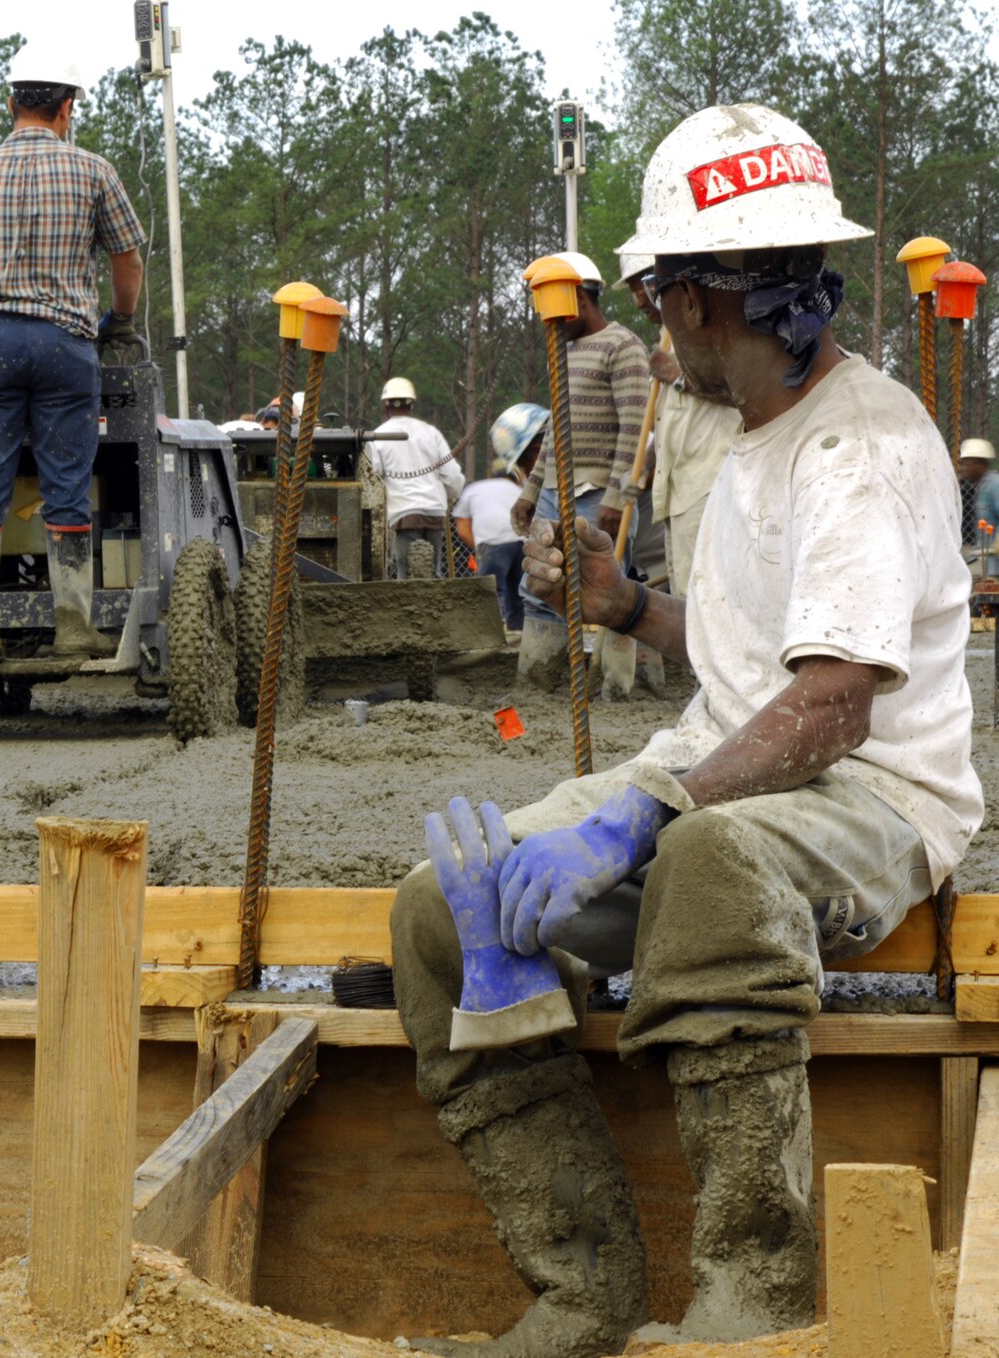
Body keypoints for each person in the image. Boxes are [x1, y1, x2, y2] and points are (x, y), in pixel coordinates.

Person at [393, 104, 977, 1357]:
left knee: (708, 868)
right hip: (734, 764)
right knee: (440, 910)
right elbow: (749, 664)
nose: (658, 328)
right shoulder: (748, 430)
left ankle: (748, 1300)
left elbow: (830, 703)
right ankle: (583, 1290)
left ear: (699, 302)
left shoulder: (856, 451)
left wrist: (644, 812)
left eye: (660, 301)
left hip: (875, 795)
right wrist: (627, 607)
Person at [0, 48, 146, 664]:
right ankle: (73, 626)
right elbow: (127, 259)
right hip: (66, 345)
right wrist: (120, 321)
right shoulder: (94, 171)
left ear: (11, 103)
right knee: (67, 481)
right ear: (66, 108)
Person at [509, 250, 651, 689]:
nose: (548, 324)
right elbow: (555, 433)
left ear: (580, 301)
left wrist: (617, 498)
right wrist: (531, 492)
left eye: (555, 312)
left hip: (598, 496)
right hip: (556, 492)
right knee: (539, 585)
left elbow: (636, 430)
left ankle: (619, 686)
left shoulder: (622, 347)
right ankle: (540, 679)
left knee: (611, 593)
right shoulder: (564, 352)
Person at [621, 251, 739, 599]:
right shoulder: (667, 337)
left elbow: (744, 392)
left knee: (709, 601)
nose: (638, 299)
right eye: (632, 289)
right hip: (678, 494)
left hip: (711, 487)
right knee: (686, 596)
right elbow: (673, 422)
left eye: (642, 285)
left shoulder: (714, 325)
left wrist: (678, 374)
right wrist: (648, 467)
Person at [454, 404, 540, 630]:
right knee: (517, 591)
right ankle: (519, 632)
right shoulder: (522, 490)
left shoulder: (475, 488)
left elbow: (462, 527)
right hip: (521, 543)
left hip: (493, 543)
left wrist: (481, 546)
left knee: (489, 590)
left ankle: (486, 632)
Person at [369, 378, 465, 578]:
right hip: (434, 513)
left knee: (406, 577)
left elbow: (373, 479)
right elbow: (452, 475)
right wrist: (451, 496)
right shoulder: (430, 433)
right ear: (411, 404)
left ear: (385, 405)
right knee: (435, 574)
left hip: (402, 516)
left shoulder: (377, 437)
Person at [957, 438, 999, 576]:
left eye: (967, 464)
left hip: (993, 563)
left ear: (979, 463)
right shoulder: (981, 487)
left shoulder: (994, 485)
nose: (964, 469)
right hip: (984, 559)